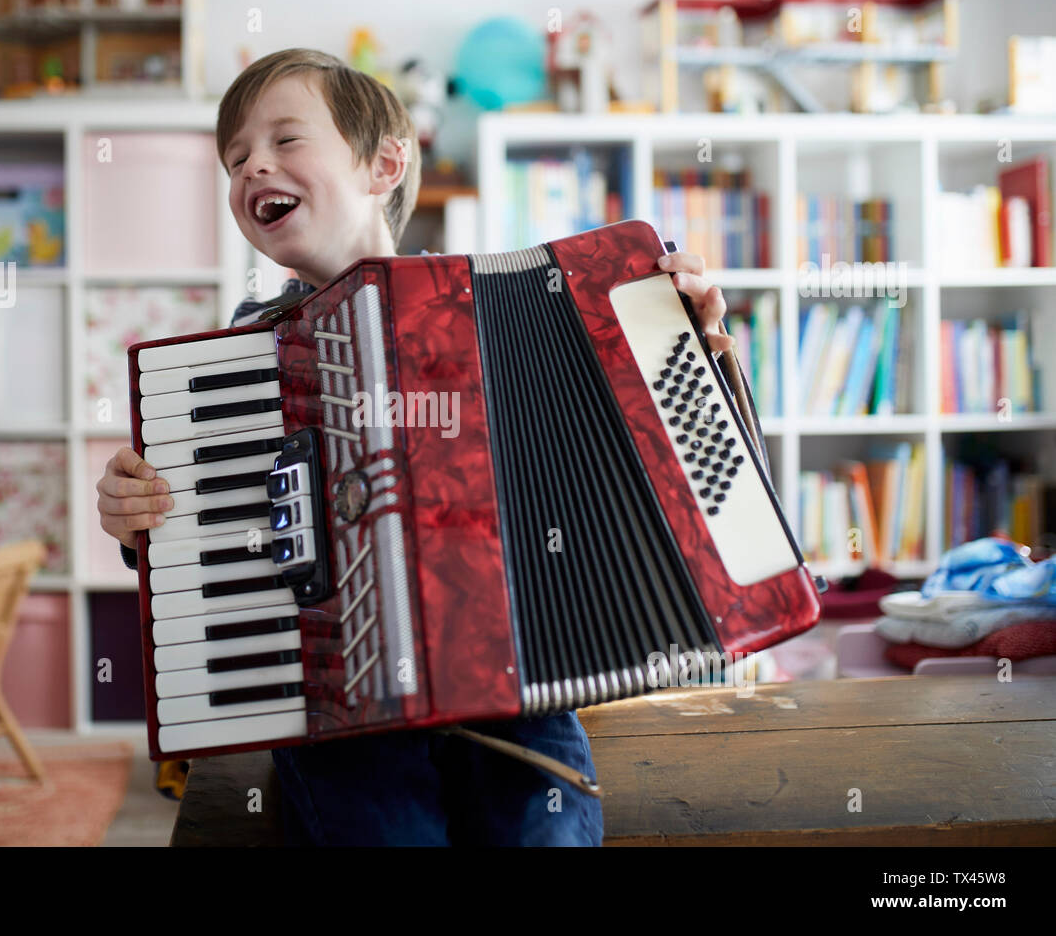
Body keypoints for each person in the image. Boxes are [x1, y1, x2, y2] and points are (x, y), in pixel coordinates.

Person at [95, 48, 733, 846]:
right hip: (339, 706)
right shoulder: (239, 361)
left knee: (547, 837)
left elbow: (651, 446)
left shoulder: (502, 303)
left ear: (385, 163)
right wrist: (140, 521)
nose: (254, 165)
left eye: (286, 140)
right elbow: (210, 533)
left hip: (517, 683)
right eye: (235, 159)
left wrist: (688, 340)